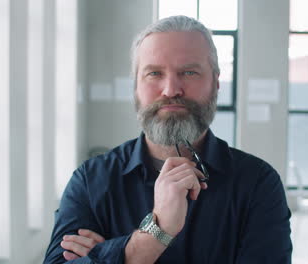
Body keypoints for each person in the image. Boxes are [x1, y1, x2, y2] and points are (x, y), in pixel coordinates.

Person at [44, 15, 292, 263]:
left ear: (216, 83)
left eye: (189, 72)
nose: (171, 89)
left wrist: (111, 255)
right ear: (135, 87)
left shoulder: (257, 183)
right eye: (154, 73)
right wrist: (156, 232)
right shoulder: (91, 181)